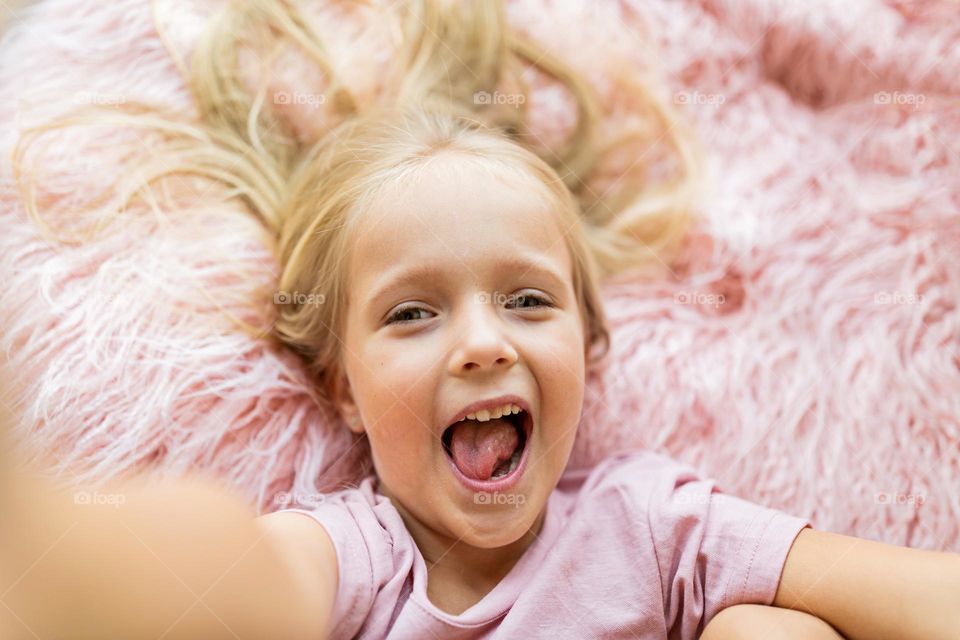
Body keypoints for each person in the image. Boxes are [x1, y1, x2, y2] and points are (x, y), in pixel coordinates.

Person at [3, 1, 958, 638]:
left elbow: (885, 587)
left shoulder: (647, 521)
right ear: (342, 387)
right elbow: (239, 580)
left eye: (529, 300)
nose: (484, 342)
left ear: (588, 349)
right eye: (413, 313)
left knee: (770, 625)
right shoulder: (360, 558)